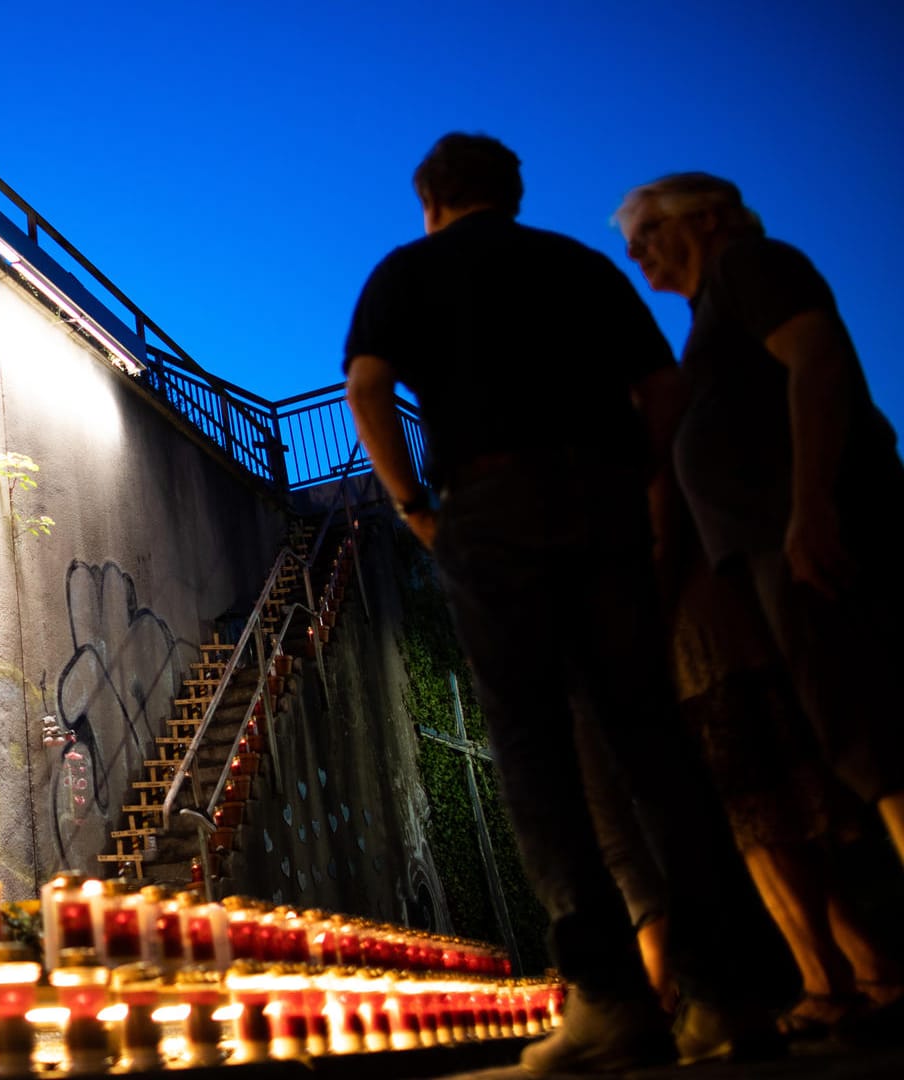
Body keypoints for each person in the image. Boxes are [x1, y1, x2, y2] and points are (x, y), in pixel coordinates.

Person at [344, 133, 776, 1073]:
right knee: (650, 737)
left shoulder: (408, 271)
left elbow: (368, 386)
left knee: (536, 749)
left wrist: (414, 504)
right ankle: (727, 991)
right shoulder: (578, 265)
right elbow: (661, 387)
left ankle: (614, 999)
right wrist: (639, 473)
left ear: (431, 201)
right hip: (603, 503)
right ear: (512, 191)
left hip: (490, 505)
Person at [615, 172, 904, 1031]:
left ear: (705, 217)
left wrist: (810, 505)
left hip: (813, 537)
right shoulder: (712, 313)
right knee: (859, 745)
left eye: (647, 235)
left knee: (879, 739)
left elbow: (816, 360)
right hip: (773, 551)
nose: (636, 256)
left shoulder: (750, 267)